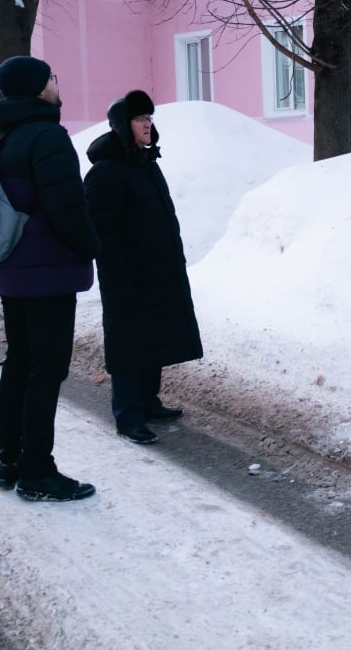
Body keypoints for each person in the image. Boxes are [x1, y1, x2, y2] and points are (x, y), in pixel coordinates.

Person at [0, 56, 100, 502]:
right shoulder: (47, 136)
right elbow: (66, 206)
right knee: (47, 368)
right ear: (37, 89)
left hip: (13, 268)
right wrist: (92, 246)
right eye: (51, 77)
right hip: (47, 272)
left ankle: (10, 461)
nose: (57, 83)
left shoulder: (2, 134)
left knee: (20, 361)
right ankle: (36, 470)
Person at [84, 90, 202, 445]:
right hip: (127, 275)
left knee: (154, 337)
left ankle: (149, 402)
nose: (147, 125)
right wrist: (118, 277)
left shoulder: (146, 163)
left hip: (157, 270)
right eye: (139, 119)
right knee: (128, 344)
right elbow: (101, 232)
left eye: (149, 119)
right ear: (123, 125)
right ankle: (128, 415)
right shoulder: (106, 172)